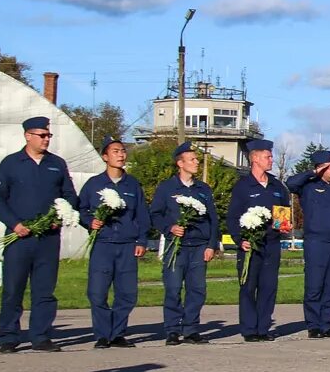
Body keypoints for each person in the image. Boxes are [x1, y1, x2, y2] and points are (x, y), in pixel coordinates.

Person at [0, 116, 77, 353]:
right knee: (13, 288)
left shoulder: (56, 164)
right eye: (42, 135)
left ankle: (40, 335)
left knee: (44, 289)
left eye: (49, 136)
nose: (47, 140)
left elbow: (70, 196)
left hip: (47, 238)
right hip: (20, 237)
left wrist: (59, 218)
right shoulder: (11, 163)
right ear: (28, 136)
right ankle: (8, 336)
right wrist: (14, 223)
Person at [77, 136, 151, 349]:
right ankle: (102, 334)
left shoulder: (133, 184)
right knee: (97, 292)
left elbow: (142, 215)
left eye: (123, 151)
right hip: (103, 244)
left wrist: (141, 240)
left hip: (127, 245)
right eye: (116, 151)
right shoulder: (94, 184)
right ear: (105, 156)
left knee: (127, 293)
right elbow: (81, 209)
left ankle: (118, 333)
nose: (121, 154)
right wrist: (91, 222)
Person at [150, 142, 220, 346]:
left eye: (196, 159)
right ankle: (172, 329)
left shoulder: (203, 189)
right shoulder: (167, 188)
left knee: (197, 289)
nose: (197, 162)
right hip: (177, 245)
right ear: (180, 163)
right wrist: (170, 227)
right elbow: (155, 214)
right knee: (173, 288)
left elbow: (212, 219)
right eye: (192, 159)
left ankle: (191, 329)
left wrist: (211, 244)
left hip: (199, 246)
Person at [227, 139, 290, 342]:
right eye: (267, 156)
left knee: (268, 286)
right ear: (254, 158)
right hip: (250, 245)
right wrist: (239, 239)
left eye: (271, 156)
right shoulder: (243, 186)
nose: (271, 159)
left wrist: (281, 227)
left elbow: (284, 216)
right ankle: (249, 329)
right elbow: (233, 216)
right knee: (248, 286)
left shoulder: (276, 186)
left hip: (271, 244)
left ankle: (263, 327)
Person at [287, 149, 330, 338]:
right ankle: (314, 325)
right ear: (320, 168)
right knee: (314, 284)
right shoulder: (308, 186)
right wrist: (313, 173)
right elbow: (290, 184)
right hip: (316, 242)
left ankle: (326, 324)